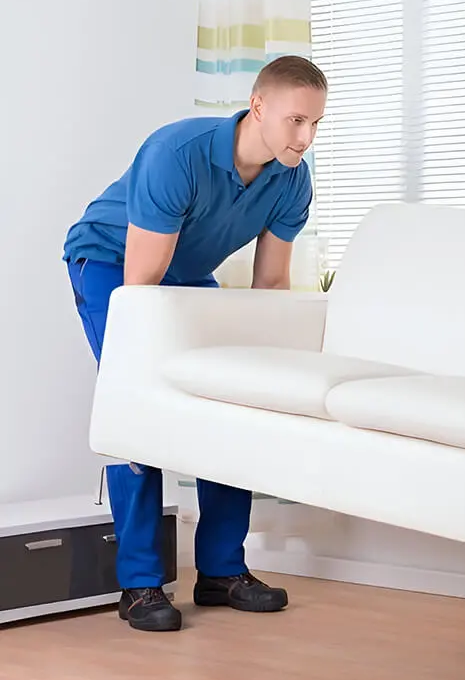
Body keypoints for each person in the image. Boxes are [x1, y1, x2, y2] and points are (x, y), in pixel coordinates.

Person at [63, 54, 328, 633]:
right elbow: (141, 287)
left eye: (315, 124)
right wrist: (142, 371)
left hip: (181, 272)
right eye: (295, 121)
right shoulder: (176, 155)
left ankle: (222, 572)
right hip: (114, 263)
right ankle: (139, 584)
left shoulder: (292, 178)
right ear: (258, 107)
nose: (306, 137)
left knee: (227, 403)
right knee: (138, 405)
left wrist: (259, 371)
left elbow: (271, 284)